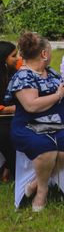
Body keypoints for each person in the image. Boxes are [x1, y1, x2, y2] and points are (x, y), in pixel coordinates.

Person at [8, 32, 64, 211]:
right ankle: (42, 191)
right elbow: (31, 106)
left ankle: (35, 182)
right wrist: (59, 94)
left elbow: (62, 90)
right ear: (44, 54)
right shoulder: (23, 77)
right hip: (29, 123)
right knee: (45, 148)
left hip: (57, 121)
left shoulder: (51, 72)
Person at [0, 41, 20, 181]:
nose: (18, 58)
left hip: (15, 115)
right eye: (14, 56)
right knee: (5, 134)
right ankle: (12, 168)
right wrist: (6, 109)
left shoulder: (16, 71)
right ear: (3, 59)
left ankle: (9, 167)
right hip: (4, 115)